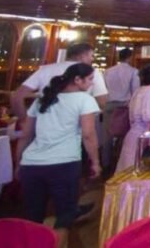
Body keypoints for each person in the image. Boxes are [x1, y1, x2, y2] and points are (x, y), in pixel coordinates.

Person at [14, 63, 101, 247]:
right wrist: (95, 162)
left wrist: (18, 163)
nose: (92, 84)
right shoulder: (84, 100)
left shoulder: (42, 99)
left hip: (31, 164)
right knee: (65, 216)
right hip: (64, 162)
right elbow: (88, 134)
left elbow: (26, 134)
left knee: (33, 215)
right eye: (90, 79)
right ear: (78, 80)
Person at [10, 43, 107, 120]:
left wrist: (24, 120)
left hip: (41, 123)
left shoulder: (45, 69)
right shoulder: (92, 73)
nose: (92, 59)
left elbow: (17, 96)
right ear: (82, 56)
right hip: (75, 125)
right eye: (91, 56)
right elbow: (102, 102)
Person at [103, 48, 139, 172]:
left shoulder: (107, 71)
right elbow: (135, 91)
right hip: (124, 106)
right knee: (124, 135)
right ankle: (120, 164)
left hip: (108, 104)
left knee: (107, 135)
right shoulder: (133, 72)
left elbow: (104, 89)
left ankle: (106, 164)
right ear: (129, 57)